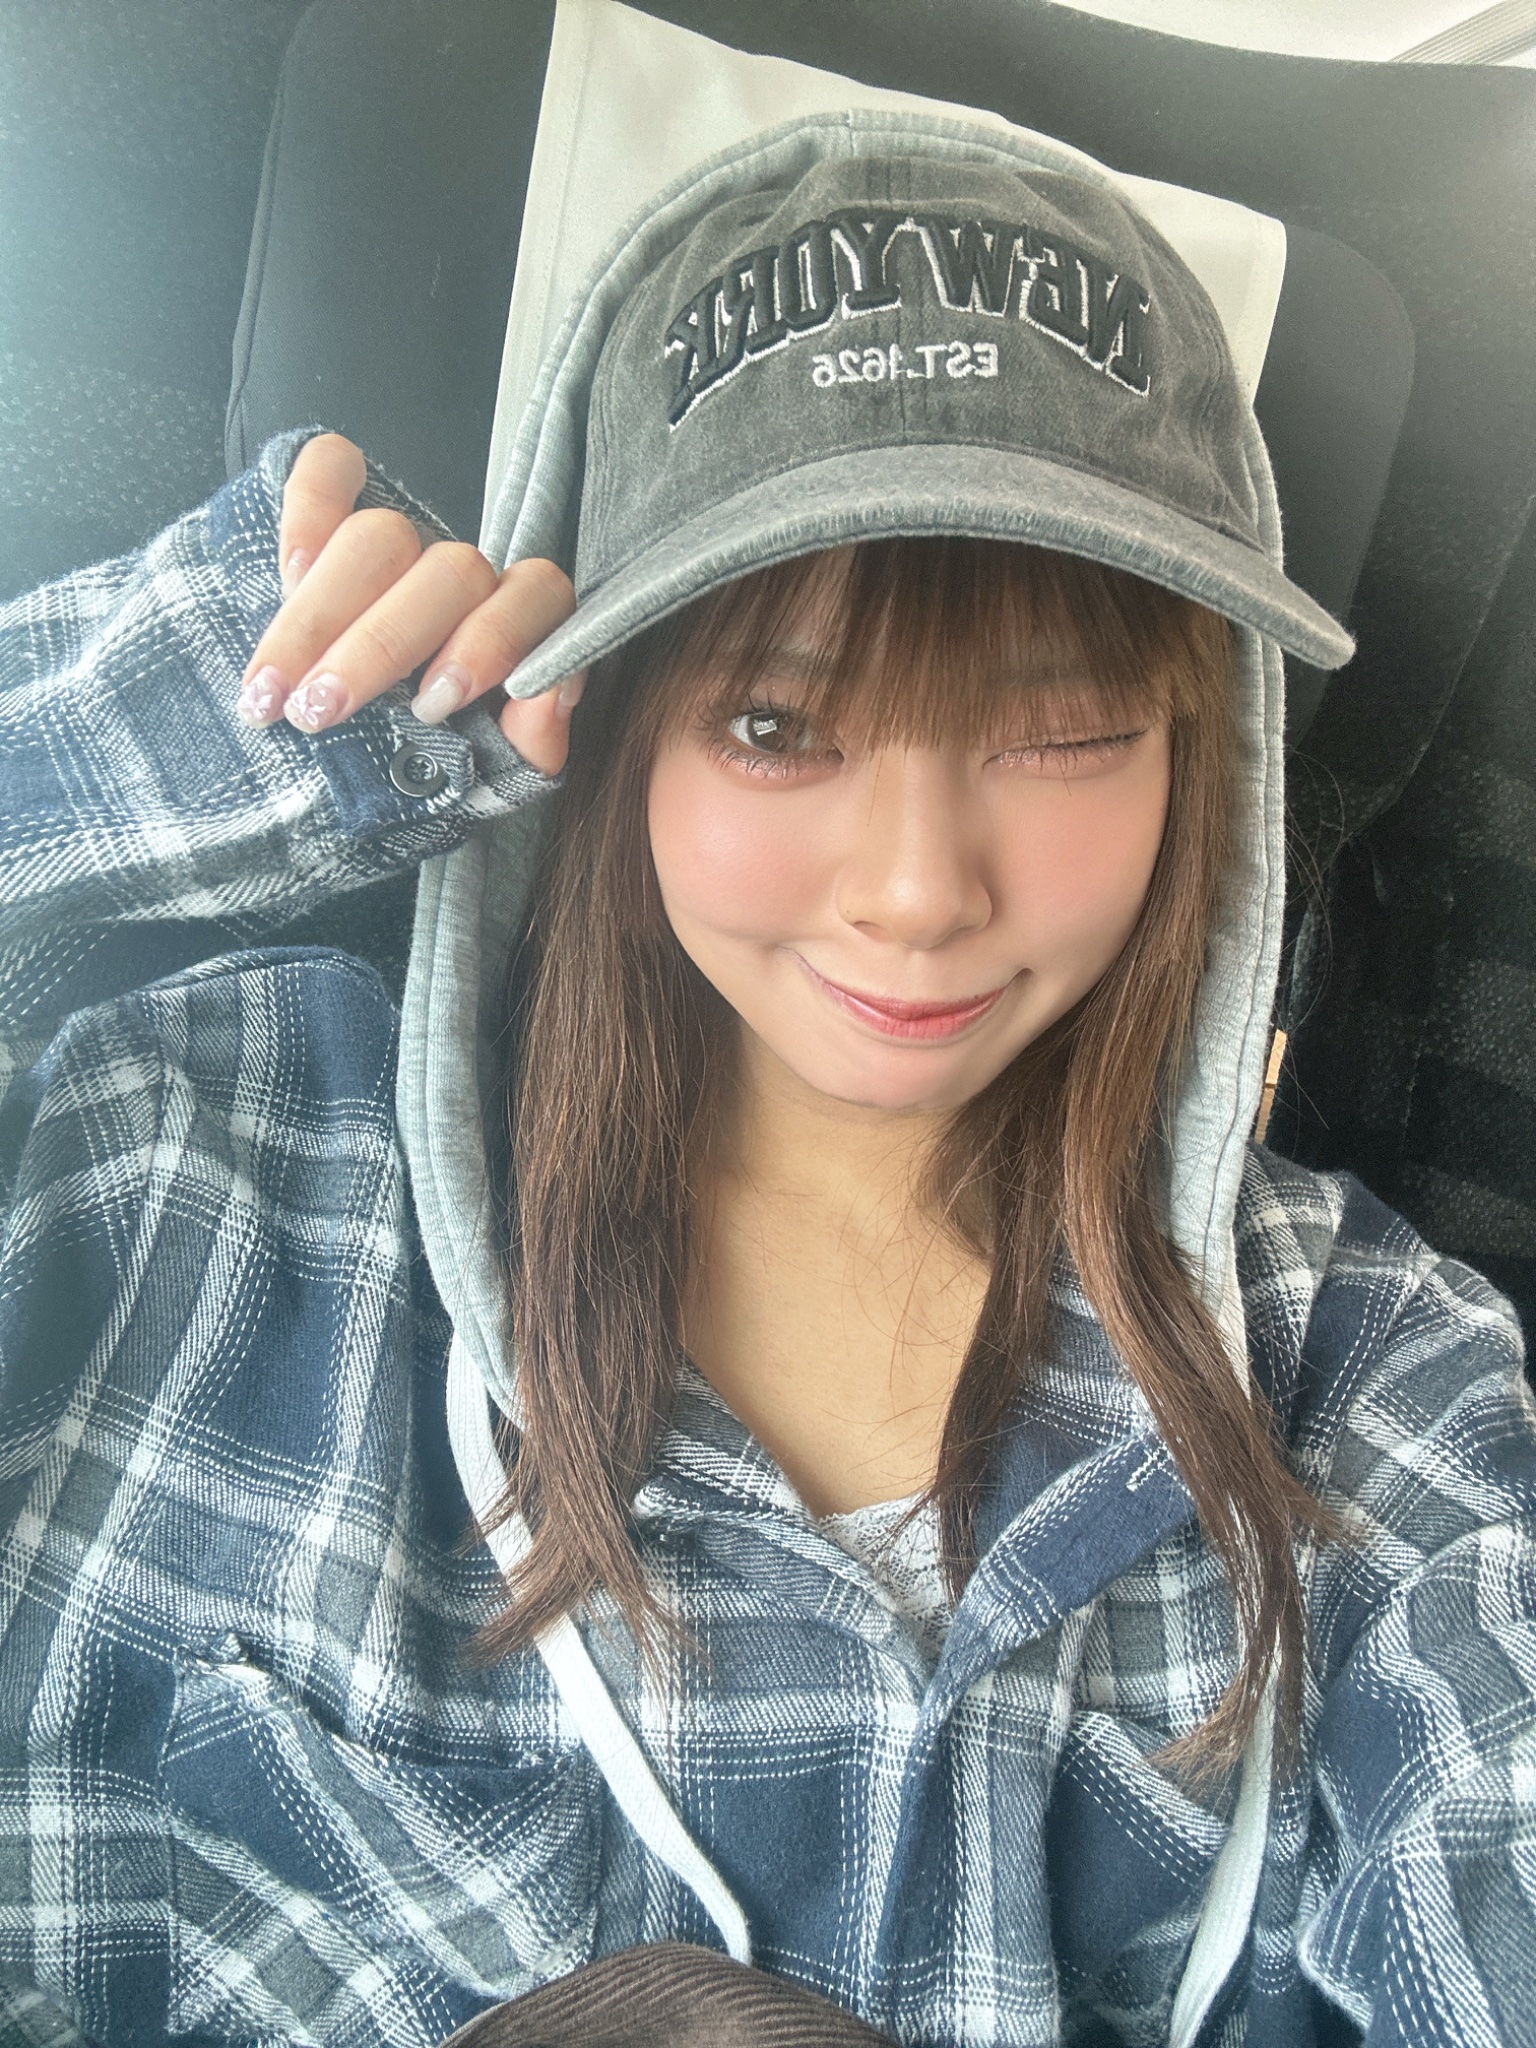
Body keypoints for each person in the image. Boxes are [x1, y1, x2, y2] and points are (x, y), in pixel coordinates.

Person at [1, 110, 1532, 2048]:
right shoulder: (192, 1161)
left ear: (1199, 749)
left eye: (1065, 728)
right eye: (774, 722)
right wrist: (161, 728)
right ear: (614, 722)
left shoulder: (1373, 1378)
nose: (918, 893)